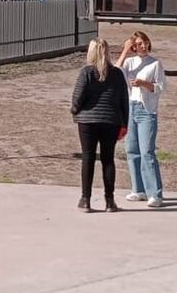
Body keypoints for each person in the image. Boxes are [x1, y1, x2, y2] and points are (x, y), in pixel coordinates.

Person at [70, 38, 130, 213]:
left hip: (87, 120)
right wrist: (124, 123)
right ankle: (109, 201)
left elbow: (77, 97)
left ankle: (85, 199)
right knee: (108, 159)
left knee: (88, 158)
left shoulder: (87, 72)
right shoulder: (117, 74)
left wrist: (75, 111)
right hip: (111, 120)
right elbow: (124, 100)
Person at [116, 30, 167, 208]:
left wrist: (143, 83)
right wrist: (125, 50)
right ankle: (139, 190)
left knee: (147, 152)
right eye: (138, 44)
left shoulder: (155, 63)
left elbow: (160, 87)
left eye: (144, 42)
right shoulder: (130, 62)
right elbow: (116, 71)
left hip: (147, 110)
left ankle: (155, 193)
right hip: (131, 108)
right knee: (131, 149)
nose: (143, 46)